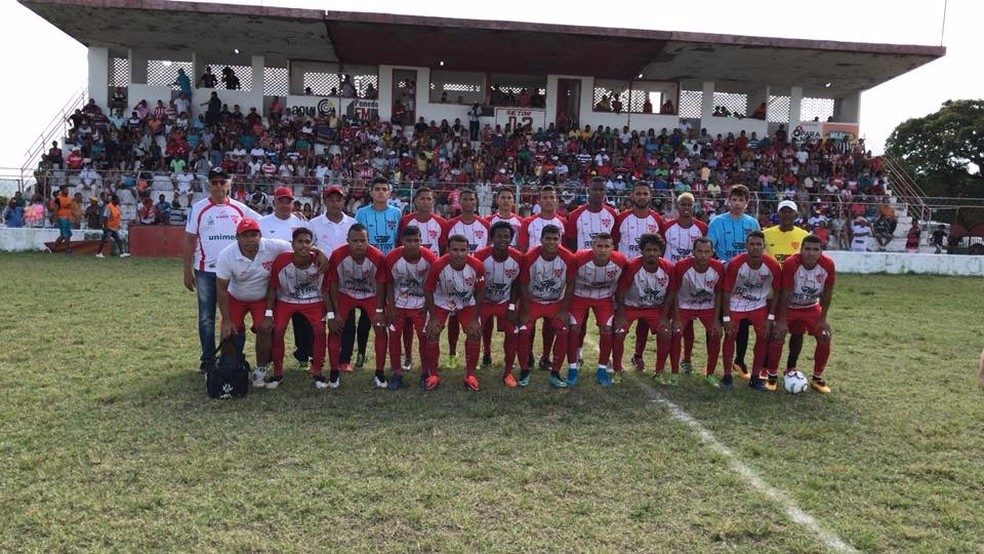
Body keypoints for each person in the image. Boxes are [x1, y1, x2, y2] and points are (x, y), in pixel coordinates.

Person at [183, 167, 262, 373]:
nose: (218, 186)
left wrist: (295, 217)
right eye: (214, 182)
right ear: (208, 185)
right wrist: (186, 270)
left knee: (234, 318)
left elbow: (267, 222)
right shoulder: (199, 208)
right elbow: (190, 240)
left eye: (222, 181)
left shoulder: (239, 208)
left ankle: (233, 357)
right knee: (206, 317)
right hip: (206, 271)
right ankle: (208, 361)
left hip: (234, 273)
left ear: (229, 184)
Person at [214, 218, 293, 388]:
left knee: (264, 328)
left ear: (260, 235)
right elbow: (221, 289)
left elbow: (299, 247)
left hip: (262, 298)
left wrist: (318, 252)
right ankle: (232, 366)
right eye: (245, 236)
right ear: (237, 237)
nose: (250, 239)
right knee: (228, 332)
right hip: (236, 298)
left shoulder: (273, 246)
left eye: (254, 235)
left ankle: (261, 369)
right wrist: (226, 320)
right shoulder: (227, 255)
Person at [766, 235, 836, 393]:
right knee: (778, 334)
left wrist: (823, 319)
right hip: (789, 306)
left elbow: (828, 291)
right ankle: (772, 376)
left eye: (815, 249)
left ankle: (817, 378)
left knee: (825, 335)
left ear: (821, 251)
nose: (811, 253)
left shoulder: (828, 265)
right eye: (807, 249)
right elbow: (785, 293)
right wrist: (782, 320)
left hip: (810, 307)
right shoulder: (792, 263)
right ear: (801, 250)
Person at [323, 224, 389, 389]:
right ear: (348, 241)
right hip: (346, 294)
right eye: (355, 241)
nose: (359, 244)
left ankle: (379, 373)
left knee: (380, 328)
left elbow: (381, 285)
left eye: (362, 240)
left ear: (368, 241)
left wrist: (380, 311)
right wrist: (335, 314)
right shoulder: (338, 255)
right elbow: (333, 285)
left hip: (371, 294)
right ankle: (333, 373)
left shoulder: (377, 256)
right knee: (335, 328)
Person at [706, 184, 760, 380]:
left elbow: (757, 248)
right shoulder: (717, 222)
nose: (737, 203)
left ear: (747, 203)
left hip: (745, 280)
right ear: (728, 201)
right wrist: (723, 265)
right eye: (734, 199)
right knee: (719, 321)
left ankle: (740, 360)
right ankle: (711, 363)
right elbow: (709, 249)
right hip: (724, 276)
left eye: (741, 200)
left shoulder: (752, 223)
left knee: (743, 322)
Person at [265, 228, 329, 389]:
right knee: (278, 330)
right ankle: (277, 373)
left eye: (308, 242)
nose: (304, 245)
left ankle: (318, 372)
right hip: (287, 300)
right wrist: (268, 313)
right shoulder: (281, 260)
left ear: (312, 244)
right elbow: (272, 287)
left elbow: (327, 288)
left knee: (320, 331)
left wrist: (331, 313)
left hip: (313, 300)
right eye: (300, 241)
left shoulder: (320, 261)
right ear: (292, 244)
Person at [612, 181, 666, 370]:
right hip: (625, 273)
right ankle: (613, 356)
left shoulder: (657, 220)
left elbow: (661, 245)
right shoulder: (621, 218)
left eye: (645, 193)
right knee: (618, 315)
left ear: (650, 196)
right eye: (638, 193)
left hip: (649, 273)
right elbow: (614, 242)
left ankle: (638, 355)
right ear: (632, 196)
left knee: (644, 316)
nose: (642, 197)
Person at [561, 233, 627, 386]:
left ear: (613, 248)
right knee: (574, 328)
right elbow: (569, 284)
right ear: (592, 247)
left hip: (603, 298)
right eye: (599, 246)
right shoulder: (578, 258)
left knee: (606, 329)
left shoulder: (621, 261)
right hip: (579, 296)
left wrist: (620, 310)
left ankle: (602, 370)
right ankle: (572, 368)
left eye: (606, 246)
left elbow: (621, 287)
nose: (602, 250)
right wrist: (565, 307)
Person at [422, 235, 486, 391]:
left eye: (463, 250)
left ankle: (470, 375)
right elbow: (428, 290)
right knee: (432, 331)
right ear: (447, 250)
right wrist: (433, 317)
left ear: (468, 250)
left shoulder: (477, 265)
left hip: (465, 302)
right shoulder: (438, 265)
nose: (459, 254)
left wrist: (474, 318)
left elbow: (481, 291)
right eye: (455, 250)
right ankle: (433, 375)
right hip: (442, 301)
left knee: (474, 332)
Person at [351, 177, 402, 372]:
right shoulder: (362, 213)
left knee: (391, 311)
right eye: (377, 189)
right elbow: (357, 238)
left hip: (390, 268)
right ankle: (361, 353)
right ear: (371, 192)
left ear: (389, 193)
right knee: (367, 313)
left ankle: (395, 356)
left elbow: (399, 240)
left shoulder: (396, 213)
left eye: (384, 189)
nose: (381, 192)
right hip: (368, 267)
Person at [260, 186, 314, 372]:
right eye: (281, 200)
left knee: (302, 321)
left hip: (297, 279)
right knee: (272, 321)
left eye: (288, 201)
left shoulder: (302, 223)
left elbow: (310, 247)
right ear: (274, 202)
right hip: (270, 279)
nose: (284, 204)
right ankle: (267, 359)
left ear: (293, 203)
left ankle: (303, 355)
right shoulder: (263, 223)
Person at [721, 231, 781, 391]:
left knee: (763, 335)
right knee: (730, 335)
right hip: (736, 303)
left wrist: (771, 316)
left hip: (758, 304)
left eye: (758, 244)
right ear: (746, 246)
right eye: (752, 244)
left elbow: (778, 292)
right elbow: (726, 291)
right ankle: (727, 375)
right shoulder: (735, 263)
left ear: (764, 246)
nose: (755, 247)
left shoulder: (772, 265)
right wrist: (726, 317)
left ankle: (755, 377)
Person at [517, 224, 575, 388]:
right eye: (547, 239)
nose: (551, 242)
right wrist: (525, 310)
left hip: (555, 302)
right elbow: (522, 284)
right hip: (533, 301)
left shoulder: (568, 258)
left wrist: (564, 310)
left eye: (555, 239)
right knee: (524, 331)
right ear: (541, 240)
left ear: (560, 240)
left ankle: (555, 373)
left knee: (563, 331)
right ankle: (524, 370)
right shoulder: (529, 257)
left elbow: (571, 285)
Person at [440, 188, 491, 369]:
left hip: (476, 278)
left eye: (471, 199)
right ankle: (452, 354)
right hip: (453, 277)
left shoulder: (485, 225)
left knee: (475, 318)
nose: (468, 202)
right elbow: (443, 251)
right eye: (465, 199)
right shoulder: (450, 225)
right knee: (453, 317)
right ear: (459, 203)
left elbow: (487, 251)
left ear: (476, 202)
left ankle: (475, 356)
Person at [613, 233, 676, 379]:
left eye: (655, 250)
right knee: (619, 331)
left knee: (665, 332)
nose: (652, 253)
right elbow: (620, 291)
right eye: (648, 250)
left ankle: (659, 371)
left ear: (661, 252)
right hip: (631, 306)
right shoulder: (632, 266)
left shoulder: (668, 268)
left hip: (654, 308)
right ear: (641, 251)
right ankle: (617, 369)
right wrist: (621, 315)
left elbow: (671, 293)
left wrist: (665, 317)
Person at [384, 226, 439, 390]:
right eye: (409, 241)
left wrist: (428, 308)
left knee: (424, 337)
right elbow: (388, 282)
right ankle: (396, 373)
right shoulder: (393, 257)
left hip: (420, 304)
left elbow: (433, 285)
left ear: (421, 241)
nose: (413, 244)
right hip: (399, 303)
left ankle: (425, 372)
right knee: (394, 336)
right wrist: (391, 306)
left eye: (416, 240)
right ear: (402, 241)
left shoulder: (429, 258)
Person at [762, 200, 810, 387]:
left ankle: (791, 366)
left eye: (790, 212)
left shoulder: (804, 236)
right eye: (783, 212)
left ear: (796, 215)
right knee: (771, 331)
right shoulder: (766, 234)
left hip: (795, 295)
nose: (787, 215)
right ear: (778, 214)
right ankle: (766, 366)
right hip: (771, 293)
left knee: (797, 332)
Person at [671, 237, 725, 387]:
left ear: (712, 253)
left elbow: (719, 292)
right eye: (699, 251)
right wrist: (675, 316)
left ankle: (710, 373)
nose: (703, 255)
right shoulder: (681, 266)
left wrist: (716, 320)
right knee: (676, 332)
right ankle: (675, 372)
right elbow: (674, 291)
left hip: (707, 306)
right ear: (693, 252)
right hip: (684, 305)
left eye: (707, 252)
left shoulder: (719, 268)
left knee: (716, 333)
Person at [474, 222, 524, 385]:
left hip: (504, 301)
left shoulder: (517, 257)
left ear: (511, 239)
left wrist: (511, 307)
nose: (503, 239)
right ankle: (472, 370)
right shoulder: (480, 256)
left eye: (506, 236)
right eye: (499, 236)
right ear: (491, 238)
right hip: (484, 301)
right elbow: (477, 281)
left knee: (512, 332)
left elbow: (516, 283)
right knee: (474, 331)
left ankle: (508, 372)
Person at [399, 186, 446, 256]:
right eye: (422, 199)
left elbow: (442, 247)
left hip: (433, 263)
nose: (426, 202)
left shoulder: (441, 222)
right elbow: (401, 244)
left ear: (433, 202)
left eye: (429, 199)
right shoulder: (405, 220)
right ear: (416, 201)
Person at [94, 194, 129, 258]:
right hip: (109, 227)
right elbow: (105, 217)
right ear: (113, 200)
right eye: (116, 200)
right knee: (105, 239)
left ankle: (122, 253)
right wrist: (105, 226)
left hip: (114, 227)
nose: (118, 201)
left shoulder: (117, 207)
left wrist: (118, 225)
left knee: (118, 240)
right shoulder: (108, 207)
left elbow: (118, 217)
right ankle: (99, 253)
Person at [52, 185, 74, 254]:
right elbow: (55, 210)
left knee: (65, 235)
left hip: (68, 217)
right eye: (65, 189)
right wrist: (56, 220)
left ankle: (53, 248)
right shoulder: (58, 199)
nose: (67, 191)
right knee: (66, 234)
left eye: (67, 189)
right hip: (62, 217)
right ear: (61, 191)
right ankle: (67, 250)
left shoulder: (70, 198)